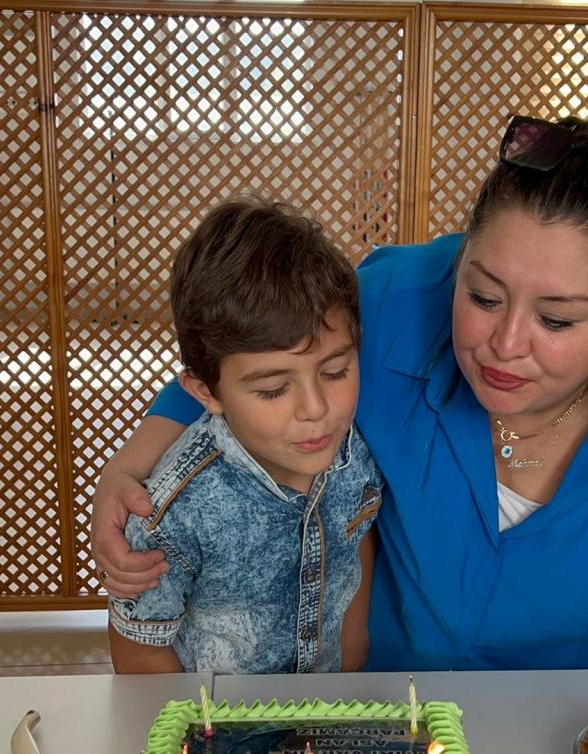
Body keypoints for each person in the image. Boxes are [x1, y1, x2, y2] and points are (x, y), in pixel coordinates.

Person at [93, 115, 588, 671]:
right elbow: (243, 359)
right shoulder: (395, 297)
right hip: (375, 693)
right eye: (482, 296)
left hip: (547, 704)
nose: (505, 344)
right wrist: (124, 472)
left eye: (556, 320)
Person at [106, 198, 382, 674]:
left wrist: (352, 662)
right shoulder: (172, 515)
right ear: (204, 391)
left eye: (335, 372)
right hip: (216, 734)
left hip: (325, 724)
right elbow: (138, 647)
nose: (316, 410)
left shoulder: (354, 454)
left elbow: (358, 537)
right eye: (273, 389)